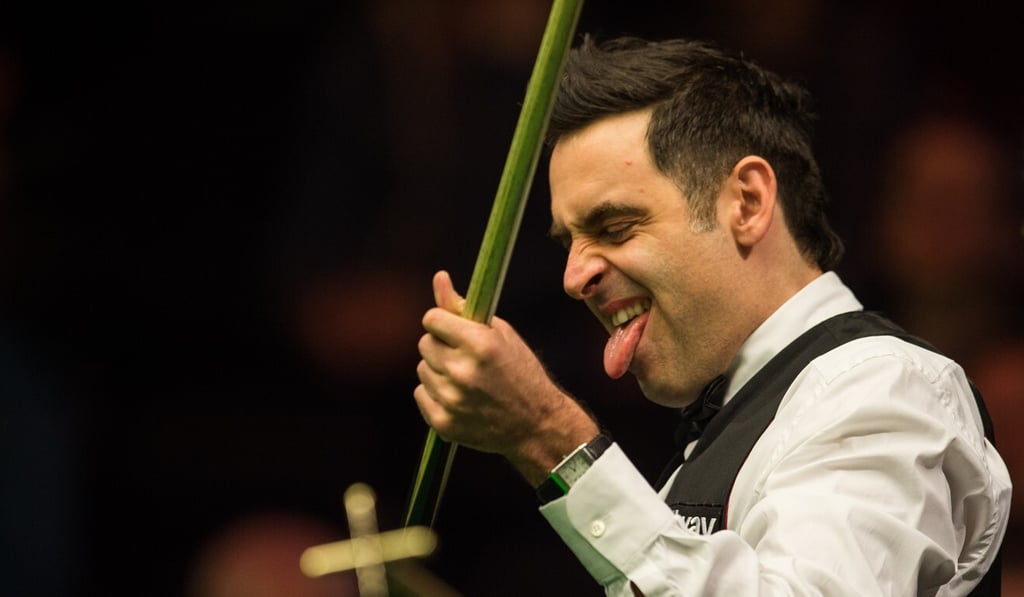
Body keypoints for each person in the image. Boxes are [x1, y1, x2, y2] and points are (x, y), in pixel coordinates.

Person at [412, 35, 1011, 596]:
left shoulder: (880, 388)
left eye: (615, 227)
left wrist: (547, 435)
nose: (574, 277)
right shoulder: (737, 417)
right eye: (568, 242)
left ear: (747, 203)